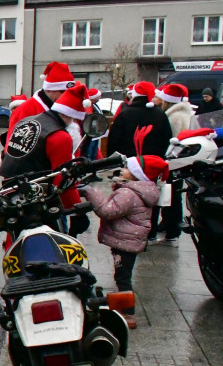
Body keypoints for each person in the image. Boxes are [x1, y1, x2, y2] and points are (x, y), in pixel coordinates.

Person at [79, 144, 168, 329]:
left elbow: (107, 211)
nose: (123, 170)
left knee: (123, 277)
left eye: (128, 168)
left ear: (137, 175)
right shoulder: (140, 190)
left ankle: (129, 314)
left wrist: (90, 192)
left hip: (125, 242)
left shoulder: (129, 193)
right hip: (130, 241)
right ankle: (123, 307)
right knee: (122, 275)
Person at [2, 83, 90, 233]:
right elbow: (61, 178)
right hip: (37, 204)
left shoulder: (28, 121)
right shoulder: (60, 136)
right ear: (71, 116)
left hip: (9, 194)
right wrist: (77, 213)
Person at [154, 83, 194, 245]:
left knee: (171, 195)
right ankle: (169, 224)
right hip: (180, 162)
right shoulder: (184, 114)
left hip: (173, 161)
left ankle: (172, 227)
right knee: (173, 194)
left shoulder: (174, 117)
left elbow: (171, 140)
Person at [5, 62, 75, 149]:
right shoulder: (26, 110)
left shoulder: (64, 109)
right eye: (64, 92)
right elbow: (14, 149)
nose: (68, 97)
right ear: (50, 90)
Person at [106, 81, 172, 161]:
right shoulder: (160, 114)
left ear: (134, 94)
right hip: (154, 162)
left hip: (128, 163)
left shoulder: (124, 113)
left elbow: (114, 141)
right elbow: (166, 139)